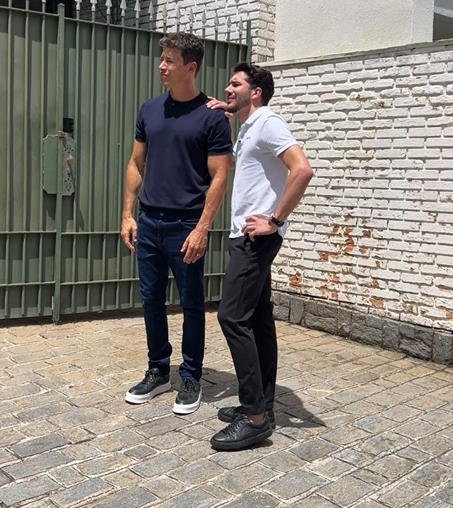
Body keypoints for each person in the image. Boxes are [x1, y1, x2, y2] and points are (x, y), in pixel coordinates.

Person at [121, 32, 232, 415]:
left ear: (191, 67)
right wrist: (127, 214)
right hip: (149, 222)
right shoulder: (150, 110)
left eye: (169, 60)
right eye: (162, 59)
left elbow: (220, 175)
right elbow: (136, 163)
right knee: (151, 300)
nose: (162, 66)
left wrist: (202, 228)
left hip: (186, 225)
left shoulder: (212, 116)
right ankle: (158, 370)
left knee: (191, 304)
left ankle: (190, 376)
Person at [207, 63, 313, 450]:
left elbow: (302, 170)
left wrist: (275, 220)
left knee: (231, 317)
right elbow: (252, 167)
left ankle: (253, 418)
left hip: (256, 237)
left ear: (256, 92)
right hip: (248, 235)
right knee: (258, 319)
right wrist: (227, 113)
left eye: (235, 84)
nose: (227, 88)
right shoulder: (250, 127)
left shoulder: (268, 123)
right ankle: (262, 406)